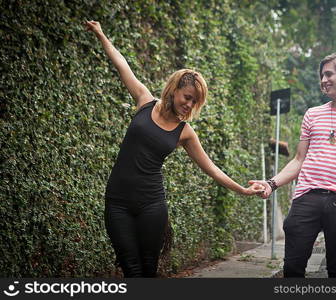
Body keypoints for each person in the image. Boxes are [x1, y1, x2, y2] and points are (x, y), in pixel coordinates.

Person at [85, 20, 263, 277]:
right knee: (129, 267)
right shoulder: (145, 102)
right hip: (117, 202)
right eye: (187, 97)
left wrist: (242, 190)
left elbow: (211, 169)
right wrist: (101, 35)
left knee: (148, 268)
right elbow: (122, 65)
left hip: (152, 204)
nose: (189, 105)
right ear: (174, 90)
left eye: (195, 101)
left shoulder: (185, 132)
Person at [249, 52, 336, 278]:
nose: (323, 80)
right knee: (292, 268)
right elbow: (298, 160)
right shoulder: (313, 115)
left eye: (329, 74)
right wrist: (271, 184)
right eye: (322, 75)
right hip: (306, 198)